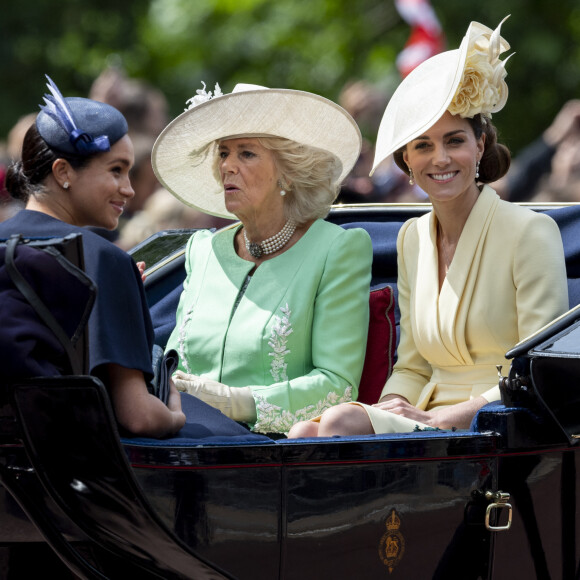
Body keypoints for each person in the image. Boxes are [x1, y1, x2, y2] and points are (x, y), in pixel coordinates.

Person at [288, 17, 569, 438]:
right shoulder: (411, 237)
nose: (440, 158)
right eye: (423, 145)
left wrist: (440, 419)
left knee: (336, 423)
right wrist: (389, 409)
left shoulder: (531, 232)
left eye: (454, 140)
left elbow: (536, 372)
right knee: (304, 433)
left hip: (499, 422)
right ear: (407, 164)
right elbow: (413, 365)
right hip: (425, 419)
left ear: (480, 146)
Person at [152, 82, 373, 434]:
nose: (228, 166)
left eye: (246, 153)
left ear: (286, 171)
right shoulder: (203, 250)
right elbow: (173, 363)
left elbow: (338, 385)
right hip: (178, 438)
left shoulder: (337, 249)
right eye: (223, 153)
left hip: (266, 452)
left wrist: (237, 401)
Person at [0, 76, 185, 438]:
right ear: (63, 172)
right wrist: (175, 413)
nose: (129, 189)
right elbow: (139, 416)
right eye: (115, 170)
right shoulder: (103, 259)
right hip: (68, 476)